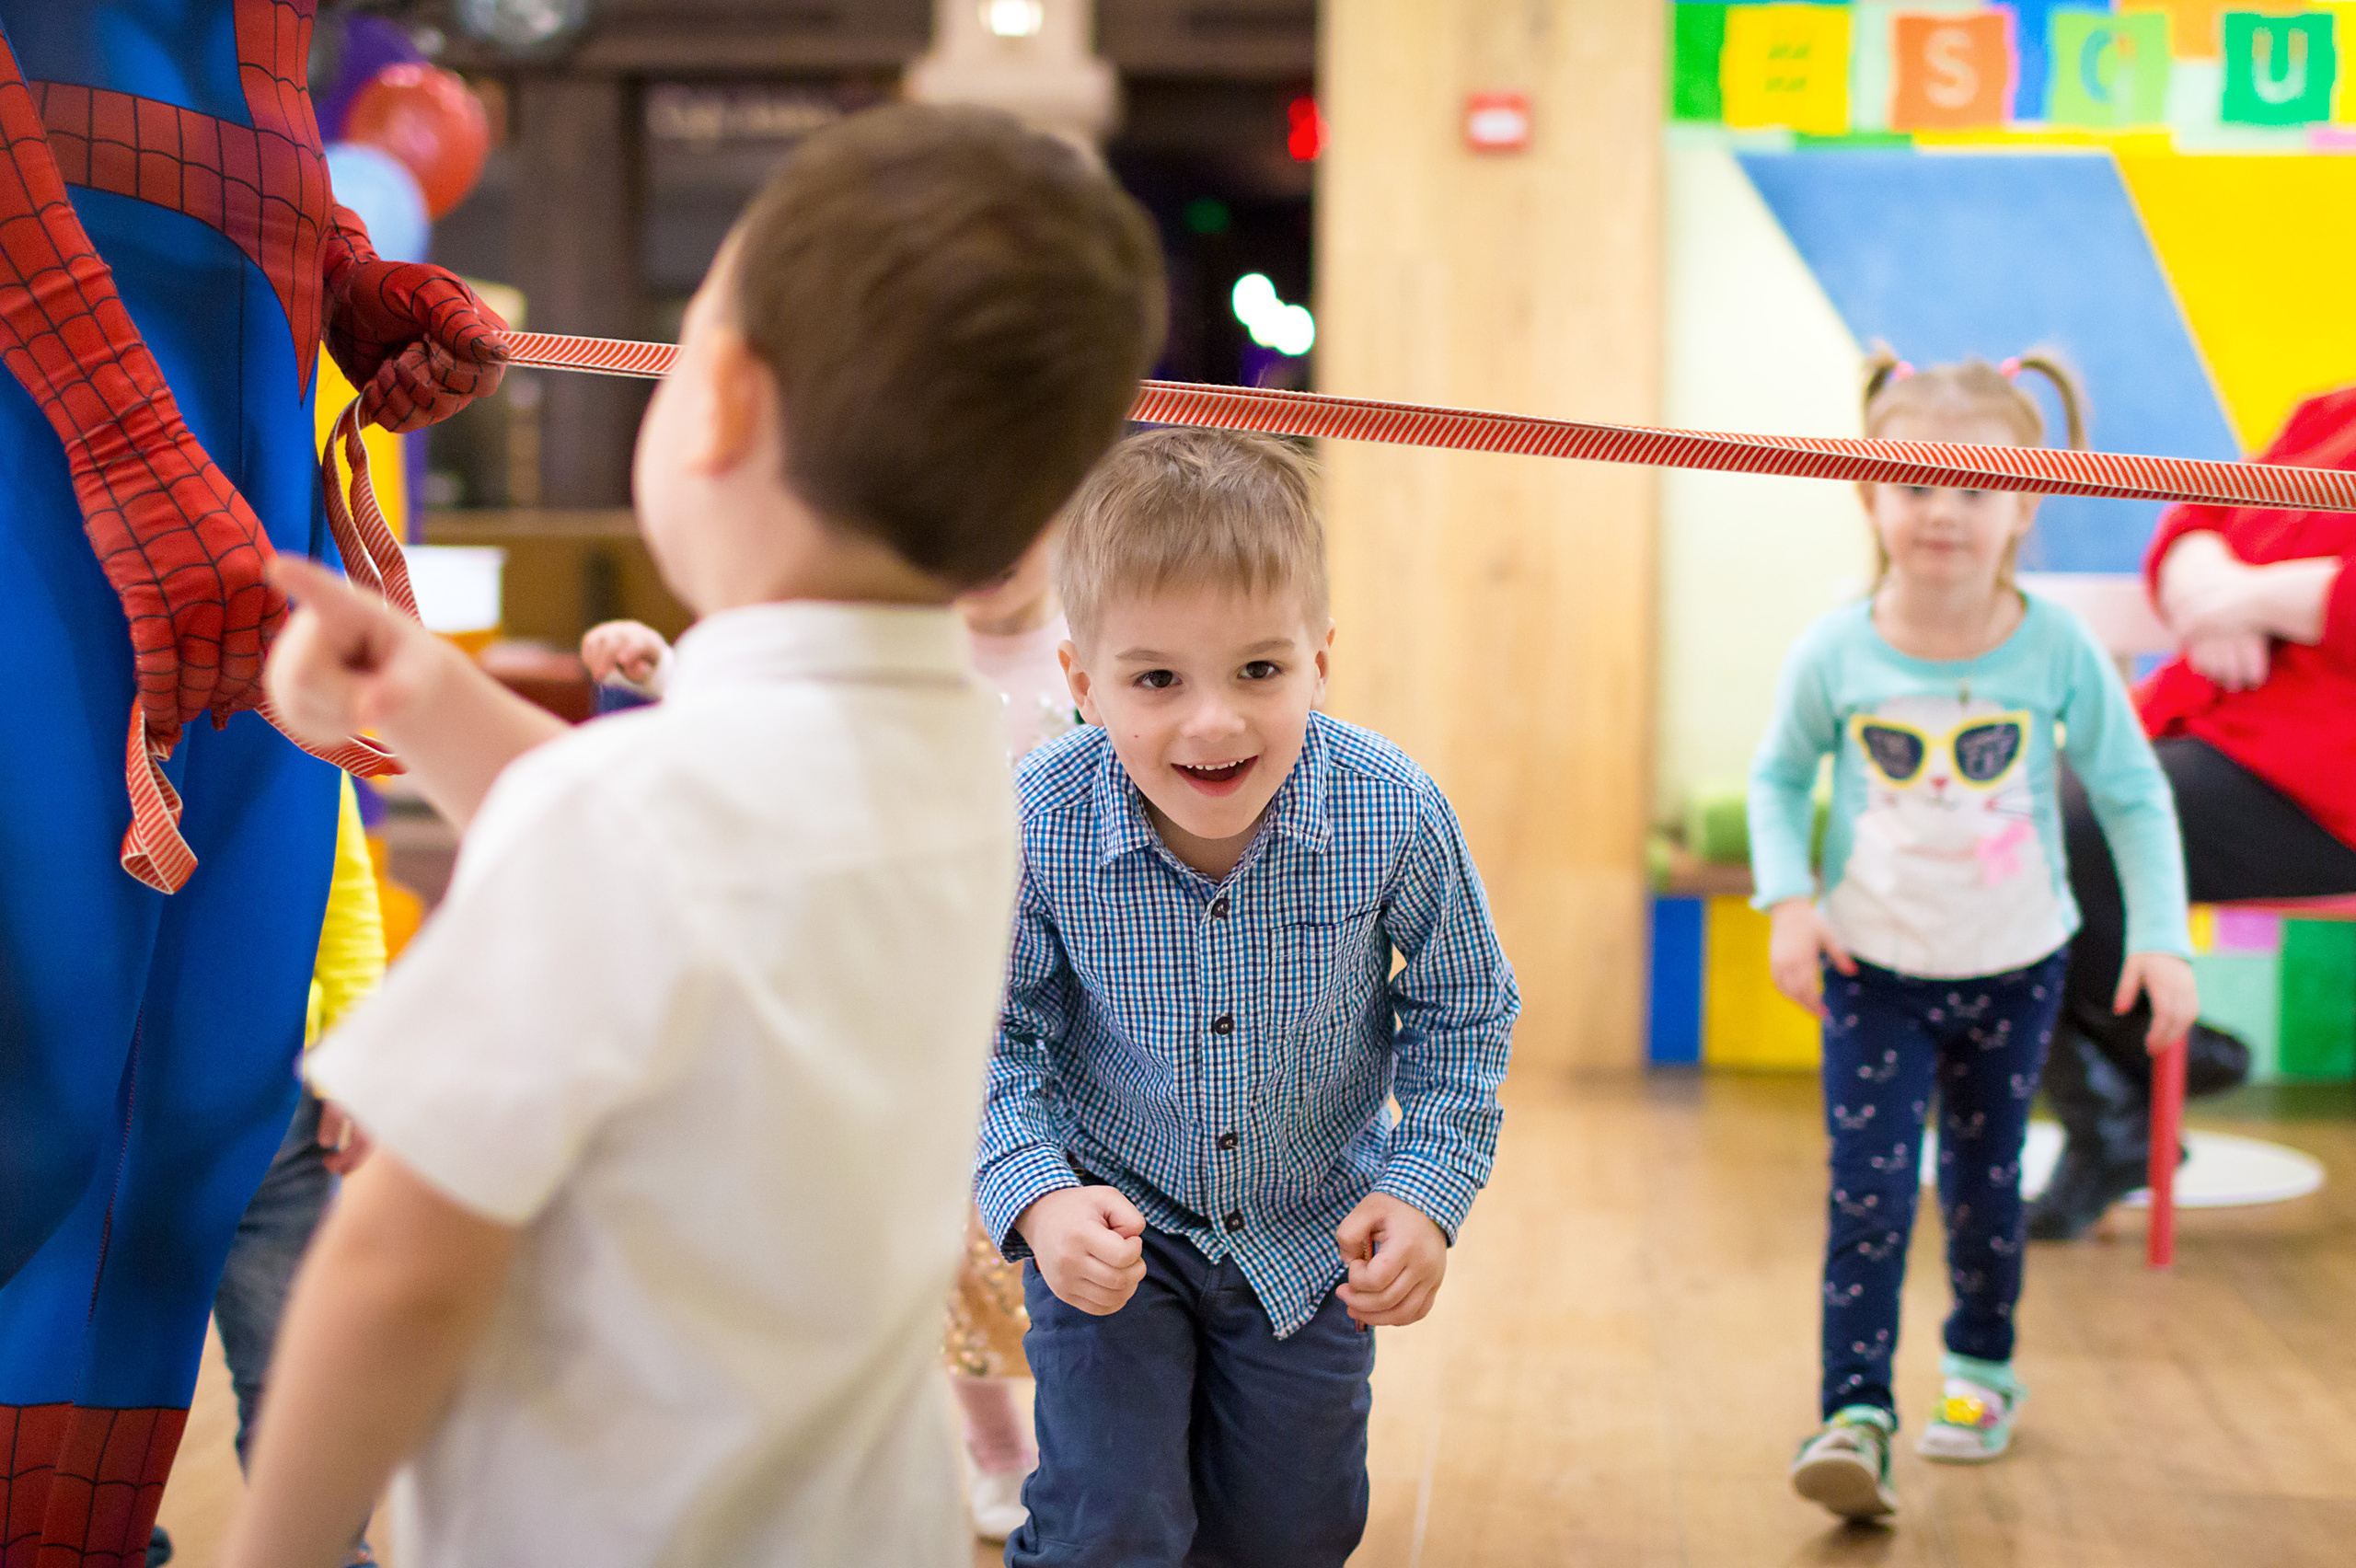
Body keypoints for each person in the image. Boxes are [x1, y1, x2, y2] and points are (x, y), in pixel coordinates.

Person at [220, 102, 1165, 1568]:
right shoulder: (969, 767)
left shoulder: (641, 826)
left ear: (714, 398)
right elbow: (677, 862)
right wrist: (434, 700)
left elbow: (399, 1270)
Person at [978, 426, 1520, 1568]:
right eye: (1157, 679)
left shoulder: (1393, 811)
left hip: (1307, 1242)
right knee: (1110, 1525)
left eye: (1260, 672)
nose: (1212, 721)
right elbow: (986, 1032)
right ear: (1082, 682)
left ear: (1321, 659)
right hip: (1111, 1224)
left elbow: (1466, 1004)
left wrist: (1425, 1191)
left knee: (1296, 1530)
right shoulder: (1037, 818)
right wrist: (1037, 1201)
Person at [1750, 352, 2197, 1521]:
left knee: (1989, 1187)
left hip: (2016, 967)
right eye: (1914, 485)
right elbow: (1776, 774)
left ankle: (1980, 1371)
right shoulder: (1835, 650)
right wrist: (1788, 900)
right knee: (1870, 1193)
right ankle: (1854, 1412)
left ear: (2024, 502)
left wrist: (2161, 938)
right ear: (1869, 496)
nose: (1943, 511)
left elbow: (2135, 792)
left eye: (1974, 487)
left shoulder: (2052, 650)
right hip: (1872, 972)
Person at [577, 526, 1077, 1543]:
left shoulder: (1097, 643)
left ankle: (1077, 1443)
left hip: (1067, 1013)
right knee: (945, 1251)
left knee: (1054, 1240)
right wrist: (664, 672)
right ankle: (995, 1446)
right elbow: (772, 727)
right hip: (914, 1005)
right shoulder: (892, 645)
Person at [2030, 386, 2356, 1239]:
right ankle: (2141, 1071)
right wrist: (2212, 580)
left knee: (2046, 833)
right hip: (2216, 738)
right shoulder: (2332, 413)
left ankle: (2129, 1081)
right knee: (1993, 823)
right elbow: (2199, 506)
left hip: (2326, 785)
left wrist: (2261, 597)